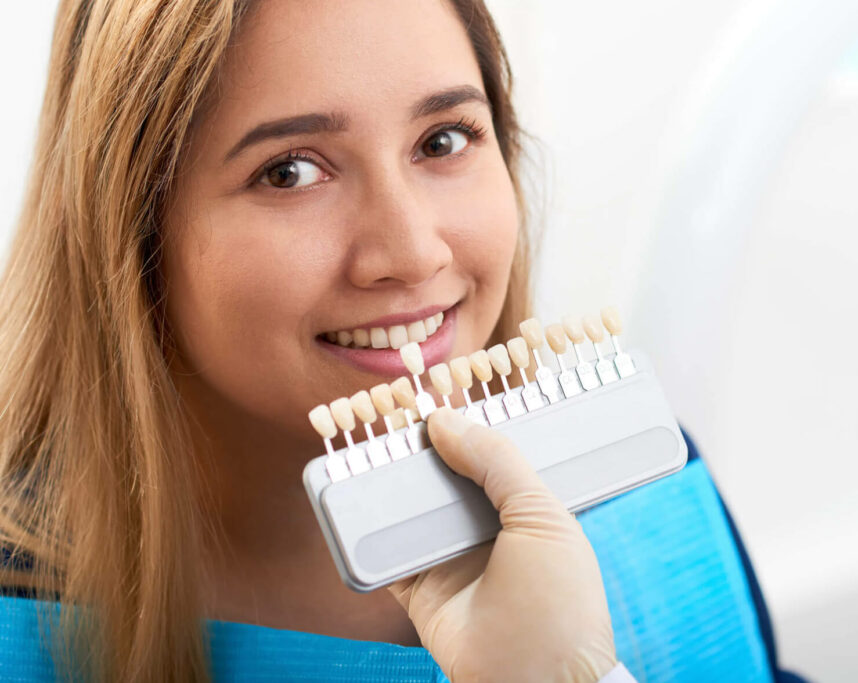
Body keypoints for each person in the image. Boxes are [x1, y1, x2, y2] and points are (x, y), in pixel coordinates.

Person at [0, 0, 794, 681]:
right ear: (131, 231)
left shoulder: (652, 493)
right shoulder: (19, 631)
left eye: (444, 140)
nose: (414, 252)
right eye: (290, 172)